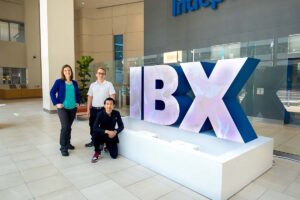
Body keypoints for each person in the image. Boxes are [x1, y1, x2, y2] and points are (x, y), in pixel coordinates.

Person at [50, 64, 80, 156]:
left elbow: (77, 93)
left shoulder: (74, 83)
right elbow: (52, 92)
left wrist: (78, 102)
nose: (67, 72)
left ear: (71, 72)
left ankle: (68, 143)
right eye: (65, 70)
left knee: (69, 127)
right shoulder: (59, 82)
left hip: (72, 108)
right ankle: (63, 147)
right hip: (62, 108)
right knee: (65, 127)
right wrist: (56, 103)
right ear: (63, 72)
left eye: (69, 70)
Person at [85, 67, 116, 147]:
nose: (101, 75)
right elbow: (89, 98)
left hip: (104, 110)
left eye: (102, 73)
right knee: (92, 126)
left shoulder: (109, 84)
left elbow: (112, 97)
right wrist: (88, 109)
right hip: (94, 109)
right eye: (99, 73)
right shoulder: (92, 85)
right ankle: (93, 141)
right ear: (96, 74)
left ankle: (104, 142)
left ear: (105, 75)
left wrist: (110, 109)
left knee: (104, 126)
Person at [91, 97, 124, 162]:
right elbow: (95, 127)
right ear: (104, 105)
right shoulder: (100, 114)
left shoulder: (116, 113)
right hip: (103, 133)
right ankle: (97, 152)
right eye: (107, 104)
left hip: (112, 134)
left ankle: (107, 146)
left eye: (111, 104)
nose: (109, 106)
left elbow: (121, 126)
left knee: (114, 156)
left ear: (113, 106)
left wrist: (115, 132)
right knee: (95, 134)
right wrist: (107, 131)